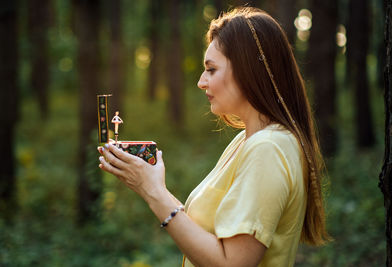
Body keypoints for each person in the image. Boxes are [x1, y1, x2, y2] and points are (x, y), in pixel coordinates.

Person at [98, 7, 331, 267]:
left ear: (248, 70)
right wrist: (152, 186)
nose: (201, 81)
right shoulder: (249, 140)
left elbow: (232, 263)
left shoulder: (268, 148)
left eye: (211, 69)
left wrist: (153, 192)